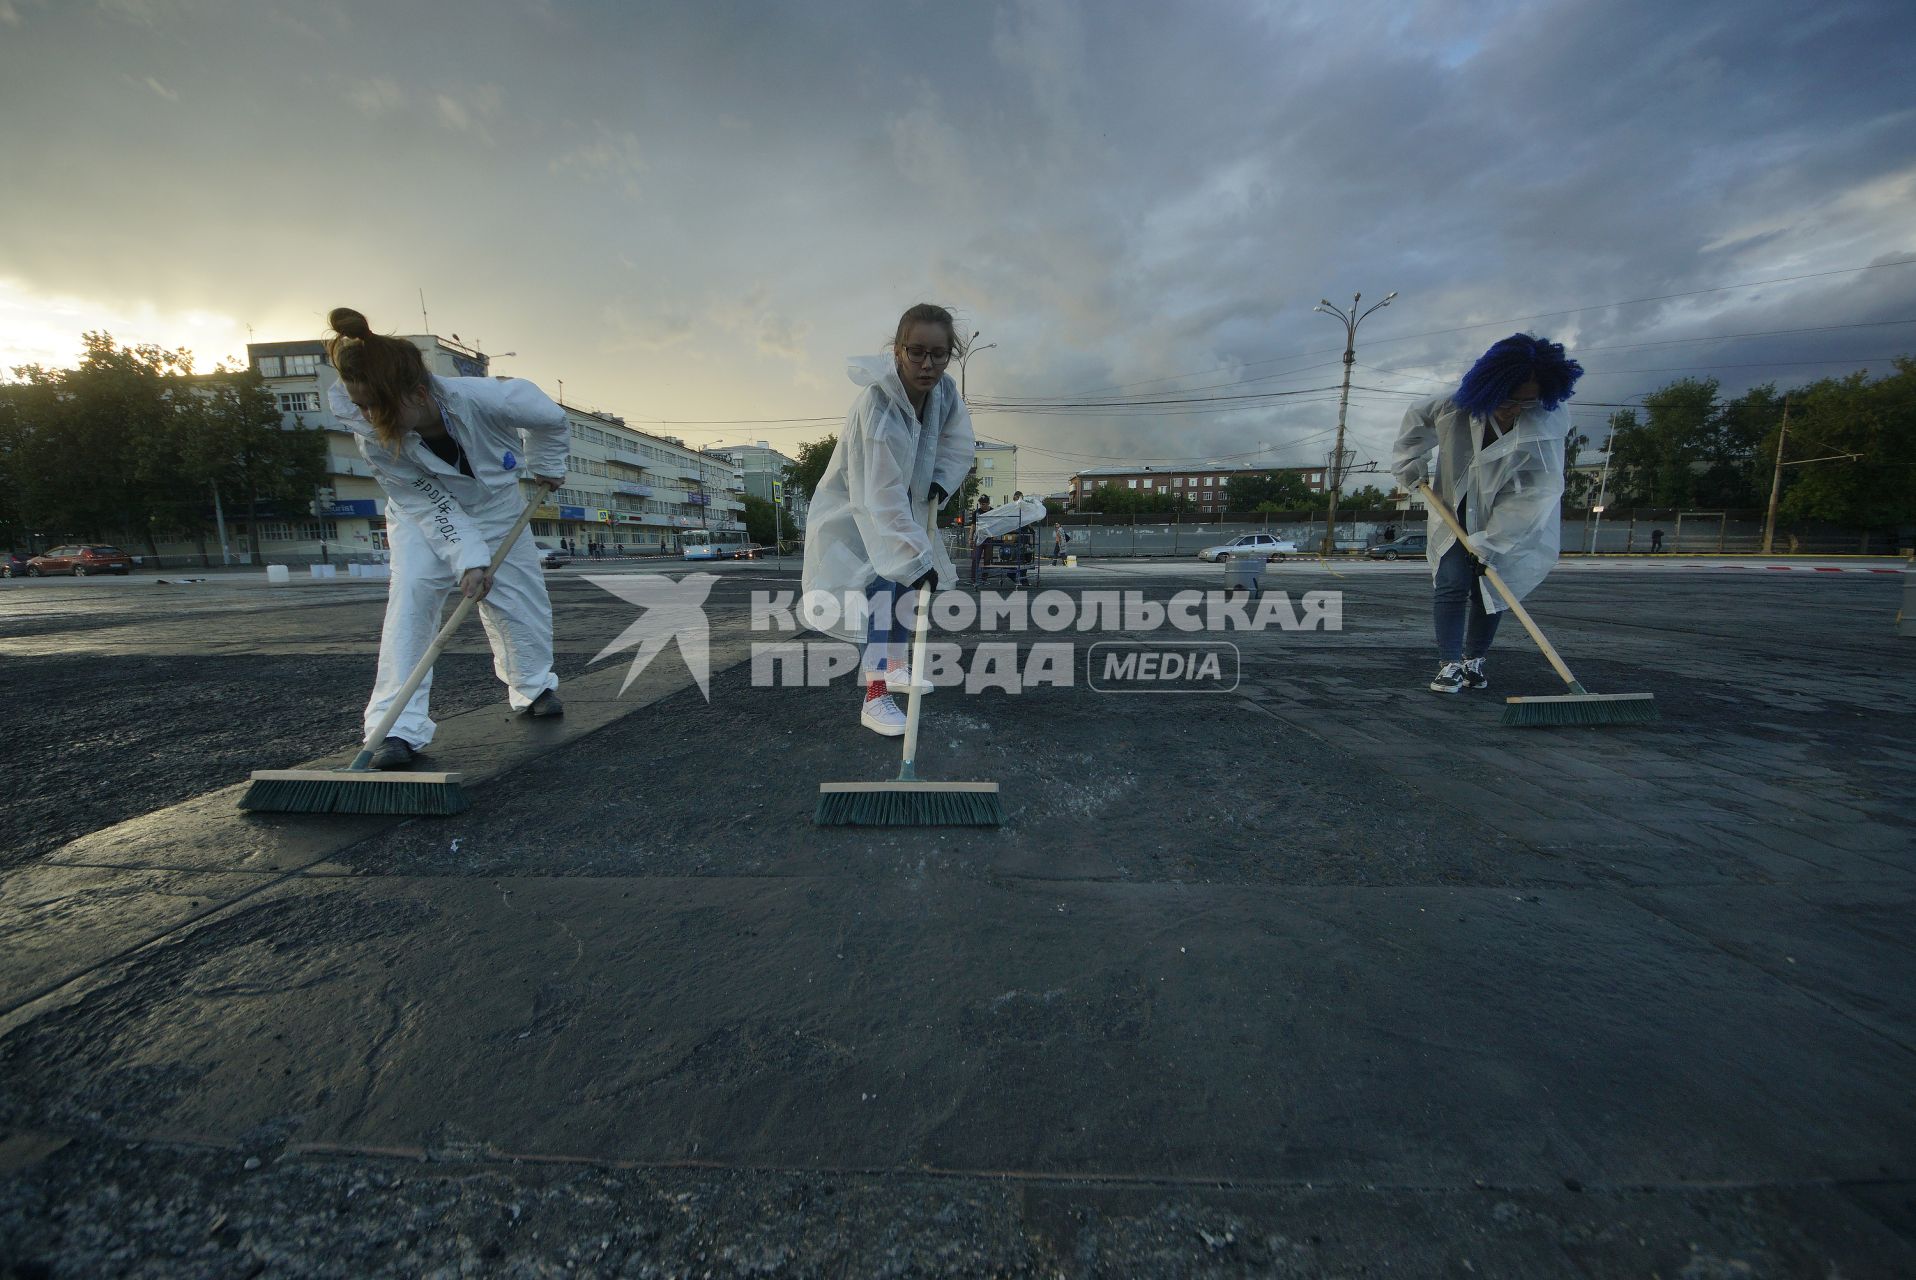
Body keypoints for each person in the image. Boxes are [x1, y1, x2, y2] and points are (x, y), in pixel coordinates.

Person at [323, 307, 567, 770]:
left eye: (377, 405)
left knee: (521, 602)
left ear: (417, 393)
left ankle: (534, 687)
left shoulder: (489, 398)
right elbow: (427, 502)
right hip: (424, 516)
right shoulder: (372, 437)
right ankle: (395, 729)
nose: (369, 417)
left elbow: (551, 421)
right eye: (360, 406)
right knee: (412, 600)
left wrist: (547, 466)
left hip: (498, 508)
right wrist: (467, 559)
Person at [802, 303, 976, 736]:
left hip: (905, 507)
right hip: (859, 512)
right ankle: (874, 696)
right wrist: (916, 561)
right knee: (884, 588)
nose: (927, 364)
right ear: (897, 350)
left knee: (903, 590)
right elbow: (877, 496)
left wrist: (940, 481)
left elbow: (958, 442)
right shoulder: (877, 407)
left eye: (939, 354)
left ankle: (895, 669)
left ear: (949, 354)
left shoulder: (945, 393)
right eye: (916, 351)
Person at [1392, 333, 1583, 695]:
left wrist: (1495, 539)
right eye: (1509, 399)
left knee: (1492, 588)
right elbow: (1416, 420)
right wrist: (1410, 463)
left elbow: (1538, 492)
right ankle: (1449, 663)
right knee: (1451, 582)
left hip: (1509, 516)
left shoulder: (1546, 422)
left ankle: (1473, 661)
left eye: (1526, 403)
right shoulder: (1453, 406)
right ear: (1489, 387)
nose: (1515, 409)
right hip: (1454, 506)